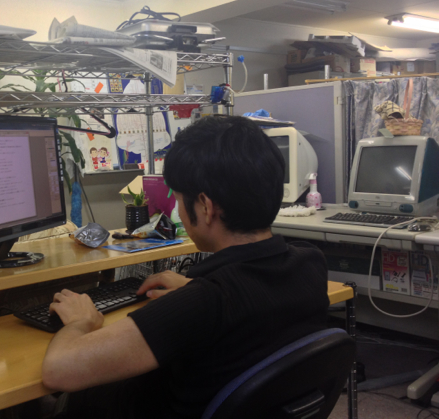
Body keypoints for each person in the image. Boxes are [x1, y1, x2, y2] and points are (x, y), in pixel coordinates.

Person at [42, 116, 330, 419]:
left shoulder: (204, 303)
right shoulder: (310, 263)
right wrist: (193, 288)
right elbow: (249, 302)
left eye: (179, 200)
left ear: (205, 207)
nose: (178, 210)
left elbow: (58, 371)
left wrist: (80, 322)